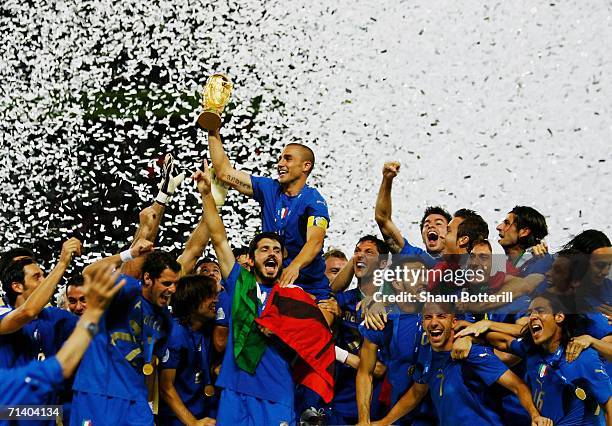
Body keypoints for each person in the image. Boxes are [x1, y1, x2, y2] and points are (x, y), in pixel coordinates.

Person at [196, 159, 331, 425]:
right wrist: (206, 196)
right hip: (235, 390)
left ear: (283, 259)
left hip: (276, 392)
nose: (271, 254)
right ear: (253, 257)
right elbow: (219, 237)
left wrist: (284, 334)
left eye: (277, 251)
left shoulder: (295, 297)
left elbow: (316, 343)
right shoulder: (239, 282)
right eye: (264, 249)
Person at [374, 302, 552, 426]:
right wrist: (384, 422)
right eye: (428, 317)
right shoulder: (428, 354)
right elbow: (417, 391)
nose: (434, 322)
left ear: (454, 322)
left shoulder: (471, 354)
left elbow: (517, 385)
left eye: (441, 316)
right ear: (422, 322)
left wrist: (534, 415)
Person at [208, 128, 331, 303]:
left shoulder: (314, 201)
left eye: (288, 159)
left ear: (306, 166)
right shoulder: (268, 188)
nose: (280, 163)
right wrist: (212, 130)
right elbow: (224, 173)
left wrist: (295, 266)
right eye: (280, 158)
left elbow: (315, 241)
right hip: (273, 283)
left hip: (310, 287)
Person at [459, 293, 612, 424]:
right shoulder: (532, 351)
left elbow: (609, 407)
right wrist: (471, 333)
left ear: (559, 316)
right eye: (531, 313)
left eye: (540, 311)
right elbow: (504, 342)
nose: (532, 317)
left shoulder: (581, 357)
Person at [70, 244, 179, 426]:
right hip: (98, 390)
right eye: (167, 283)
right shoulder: (126, 288)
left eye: (176, 283)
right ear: (148, 279)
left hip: (136, 397)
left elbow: (150, 364)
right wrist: (129, 254)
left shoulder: (165, 319)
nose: (173, 289)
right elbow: (88, 274)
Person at [0, 266, 125, 407]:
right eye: (37, 277)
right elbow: (27, 312)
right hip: (13, 403)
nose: (45, 280)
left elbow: (85, 329)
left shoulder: (53, 316)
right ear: (17, 286)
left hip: (50, 404)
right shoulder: (3, 314)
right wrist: (63, 263)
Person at [357, 257, 433, 426]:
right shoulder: (381, 319)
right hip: (396, 415)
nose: (424, 280)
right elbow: (365, 372)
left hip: (436, 413)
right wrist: (364, 420)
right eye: (416, 275)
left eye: (426, 275)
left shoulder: (438, 316)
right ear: (397, 284)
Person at [158, 274, 219, 426]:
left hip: (203, 413)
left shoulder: (207, 329)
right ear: (193, 300)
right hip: (177, 420)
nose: (216, 300)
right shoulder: (176, 334)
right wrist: (192, 423)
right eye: (210, 296)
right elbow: (165, 387)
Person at [374, 161, 451, 265]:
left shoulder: (468, 263)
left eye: (438, 223)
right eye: (426, 224)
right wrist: (387, 180)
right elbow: (383, 219)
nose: (431, 226)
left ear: (450, 233)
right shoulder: (417, 258)